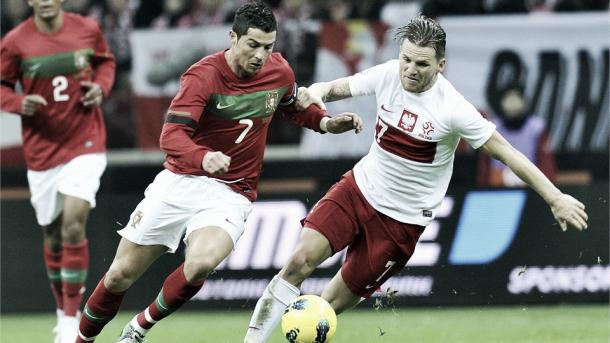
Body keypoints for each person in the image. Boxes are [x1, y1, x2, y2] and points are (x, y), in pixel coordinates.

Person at [243, 15, 588, 343]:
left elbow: (507, 153)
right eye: (406, 59)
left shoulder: (454, 109)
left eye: (422, 64)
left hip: (401, 223)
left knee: (325, 309)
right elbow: (336, 87)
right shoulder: (388, 74)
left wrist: (555, 197)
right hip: (358, 190)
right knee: (298, 262)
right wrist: (316, 92)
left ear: (441, 65)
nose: (410, 70)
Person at [75, 2, 363, 343]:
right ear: (233, 37)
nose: (260, 55)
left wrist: (327, 122)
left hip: (231, 192)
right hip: (181, 180)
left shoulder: (279, 72)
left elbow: (291, 105)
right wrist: (203, 157)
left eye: (268, 47)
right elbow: (171, 136)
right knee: (119, 276)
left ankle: (139, 327)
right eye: (252, 45)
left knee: (200, 264)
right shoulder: (203, 75)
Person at [0, 1, 116, 343]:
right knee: (52, 233)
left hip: (86, 142)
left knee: (73, 221)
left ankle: (70, 319)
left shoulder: (86, 29)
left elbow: (105, 63)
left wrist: (101, 87)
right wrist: (19, 104)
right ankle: (60, 310)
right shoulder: (15, 41)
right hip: (42, 151)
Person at [478, 85, 556, 187]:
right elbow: (484, 173)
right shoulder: (491, 129)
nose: (512, 103)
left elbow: (547, 170)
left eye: (516, 98)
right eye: (508, 98)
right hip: (497, 189)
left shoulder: (536, 128)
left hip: (531, 187)